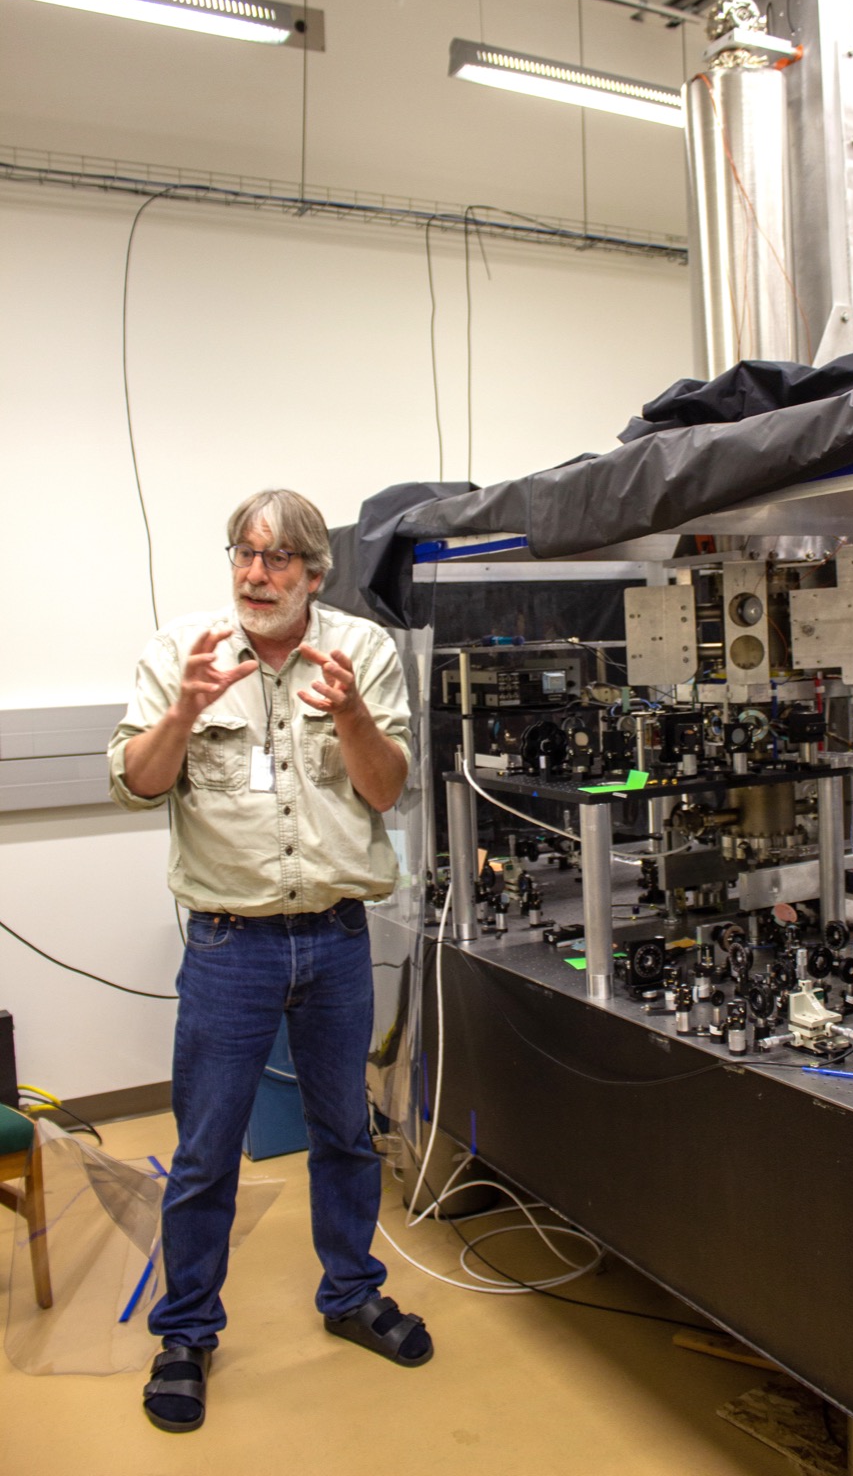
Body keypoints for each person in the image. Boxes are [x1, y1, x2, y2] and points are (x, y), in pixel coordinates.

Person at [108, 488, 431, 1434]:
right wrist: (183, 712)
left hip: (333, 940)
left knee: (343, 1133)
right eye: (245, 555)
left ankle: (351, 1296)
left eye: (279, 559)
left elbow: (388, 790)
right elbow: (135, 783)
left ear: (315, 573)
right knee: (206, 1152)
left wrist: (356, 719)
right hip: (228, 944)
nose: (257, 575)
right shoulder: (183, 653)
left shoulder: (361, 652)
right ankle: (187, 1333)